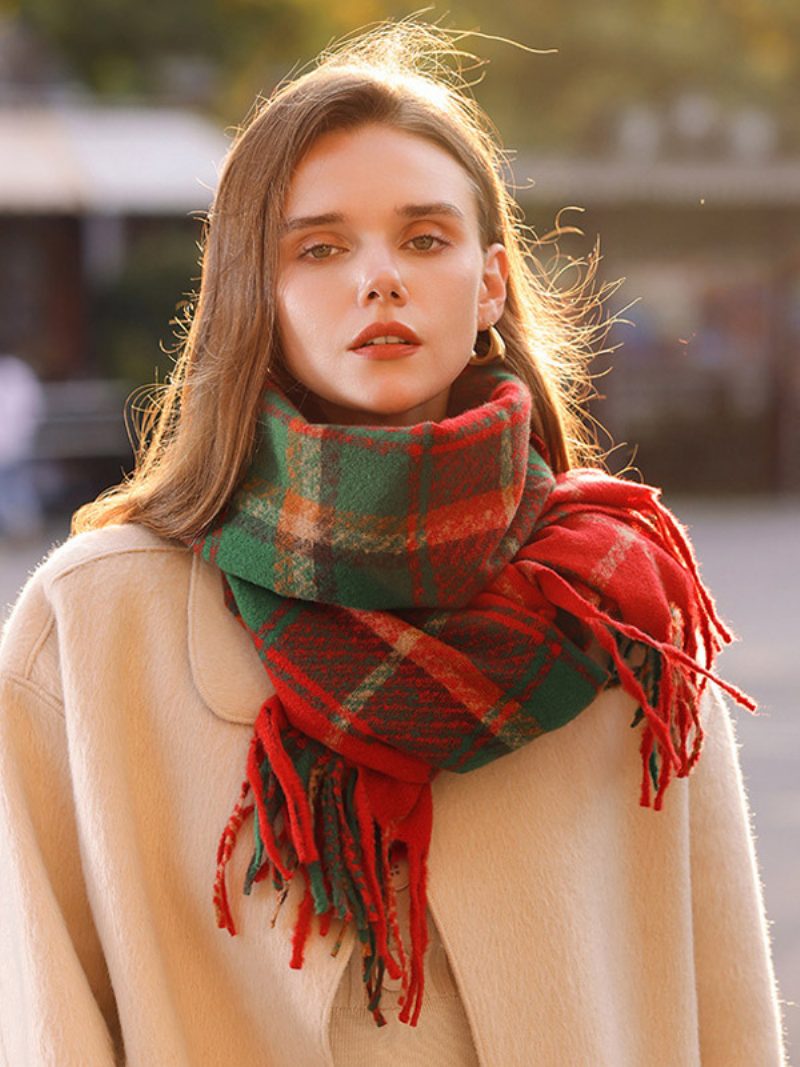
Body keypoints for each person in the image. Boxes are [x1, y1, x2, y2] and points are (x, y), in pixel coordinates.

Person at [0, 21, 786, 1067]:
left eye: (423, 238)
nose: (379, 278)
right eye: (318, 247)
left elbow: (723, 1002)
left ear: (491, 284)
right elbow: (45, 1019)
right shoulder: (95, 623)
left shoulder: (622, 598)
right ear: (254, 294)